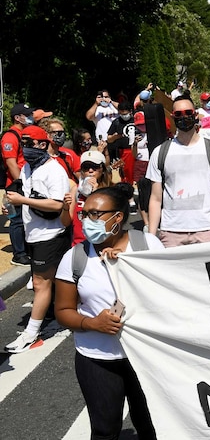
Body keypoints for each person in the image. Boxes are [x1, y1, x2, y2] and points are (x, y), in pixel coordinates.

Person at [55, 183, 160, 440]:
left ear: (118, 217)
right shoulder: (74, 258)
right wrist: (93, 324)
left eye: (95, 214)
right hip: (97, 358)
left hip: (146, 356)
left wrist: (125, 265)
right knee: (104, 429)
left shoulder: (149, 246)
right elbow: (63, 310)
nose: (86, 221)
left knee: (152, 423)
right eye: (84, 213)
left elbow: (166, 294)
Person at [4, 125, 71, 353]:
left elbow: (57, 204)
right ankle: (65, 312)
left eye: (28, 143)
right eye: (22, 143)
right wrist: (11, 204)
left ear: (42, 145)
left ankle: (31, 333)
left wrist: (23, 202)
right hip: (32, 233)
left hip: (50, 235)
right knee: (51, 280)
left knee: (41, 284)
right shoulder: (27, 169)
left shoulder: (55, 171)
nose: (24, 147)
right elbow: (24, 194)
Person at [146, 95, 210, 246]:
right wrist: (152, 236)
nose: (184, 116)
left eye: (188, 112)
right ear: (173, 117)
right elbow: (155, 198)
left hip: (207, 231)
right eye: (178, 114)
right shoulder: (160, 152)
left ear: (195, 114)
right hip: (171, 232)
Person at [3, 103, 35, 266]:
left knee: (27, 217)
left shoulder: (24, 134)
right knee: (16, 220)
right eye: (26, 114)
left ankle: (26, 249)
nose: (30, 117)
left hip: (27, 182)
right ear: (17, 118)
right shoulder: (10, 137)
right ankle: (19, 254)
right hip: (16, 184)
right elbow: (11, 163)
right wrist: (21, 184)